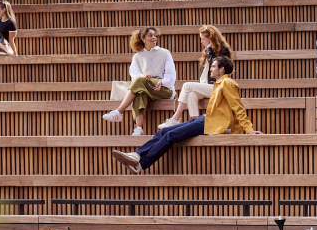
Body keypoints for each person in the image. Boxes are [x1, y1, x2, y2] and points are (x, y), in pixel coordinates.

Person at [111, 56, 261, 173]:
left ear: (222, 70)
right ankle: (137, 155)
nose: (211, 69)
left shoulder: (228, 83)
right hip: (206, 119)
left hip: (212, 123)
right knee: (164, 131)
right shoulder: (219, 84)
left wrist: (248, 130)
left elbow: (238, 107)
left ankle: (141, 164)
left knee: (171, 136)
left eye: (214, 66)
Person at [102, 26, 176, 136]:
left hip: (164, 89)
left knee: (139, 82)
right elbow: (134, 75)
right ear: (143, 38)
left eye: (154, 35)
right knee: (139, 92)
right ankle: (139, 128)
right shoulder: (137, 56)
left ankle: (119, 111)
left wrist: (162, 82)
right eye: (150, 36)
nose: (154, 38)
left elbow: (171, 76)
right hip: (146, 87)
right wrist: (143, 76)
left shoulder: (164, 53)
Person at [159, 25, 233, 129]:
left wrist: (209, 52)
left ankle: (175, 119)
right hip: (206, 87)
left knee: (187, 86)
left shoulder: (222, 51)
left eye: (203, 39)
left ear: (211, 39)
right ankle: (196, 123)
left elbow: (215, 68)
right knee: (191, 94)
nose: (201, 42)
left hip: (218, 87)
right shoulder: (207, 53)